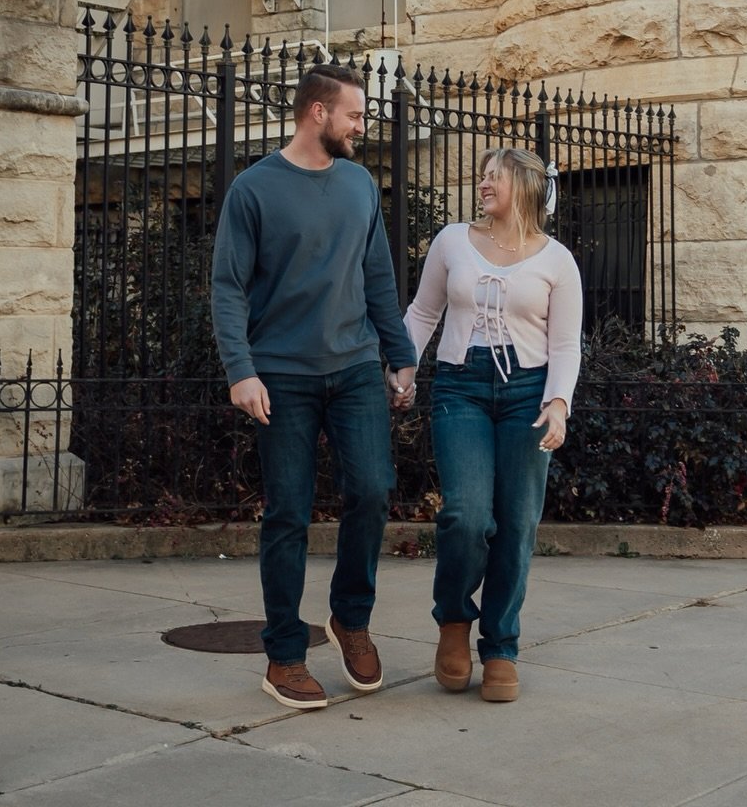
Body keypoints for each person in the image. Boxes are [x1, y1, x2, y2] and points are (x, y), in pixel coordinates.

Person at [211, 63, 418, 711]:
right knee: (288, 514)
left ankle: (350, 619)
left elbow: (378, 274)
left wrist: (401, 355)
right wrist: (241, 370)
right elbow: (228, 285)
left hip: (355, 367)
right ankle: (284, 656)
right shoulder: (253, 189)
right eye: (355, 115)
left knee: (372, 490)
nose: (362, 126)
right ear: (317, 112)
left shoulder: (359, 185)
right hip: (282, 376)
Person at [404, 147, 583, 703]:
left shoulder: (558, 260)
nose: (483, 185)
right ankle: (454, 620)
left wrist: (558, 403)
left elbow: (565, 344)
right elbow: (423, 312)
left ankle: (501, 645)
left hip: (529, 392)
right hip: (461, 387)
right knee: (466, 514)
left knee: (517, 522)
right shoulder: (452, 241)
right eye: (482, 177)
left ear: (524, 187)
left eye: (494, 177)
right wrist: (403, 367)